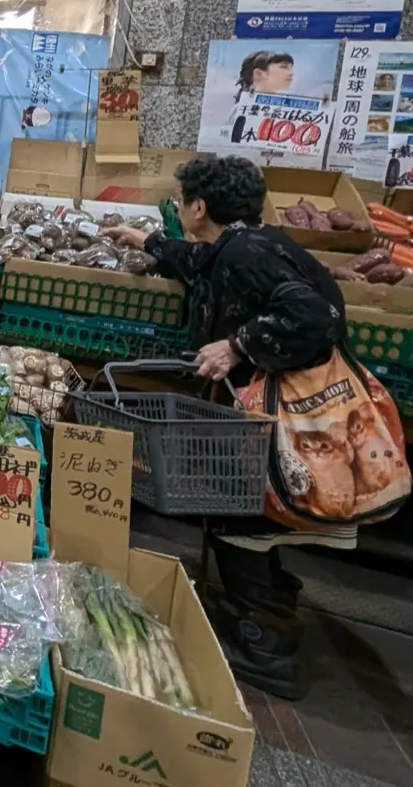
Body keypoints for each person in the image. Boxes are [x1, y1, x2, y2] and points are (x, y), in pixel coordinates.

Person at [102, 156, 350, 700]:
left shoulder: (247, 252)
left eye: (181, 199)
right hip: (250, 415)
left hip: (266, 417)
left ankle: (266, 646)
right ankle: (262, 614)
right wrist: (147, 241)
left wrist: (238, 345)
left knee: (243, 512)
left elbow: (320, 313)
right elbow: (199, 262)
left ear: (199, 206)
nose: (178, 206)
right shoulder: (241, 245)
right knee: (246, 512)